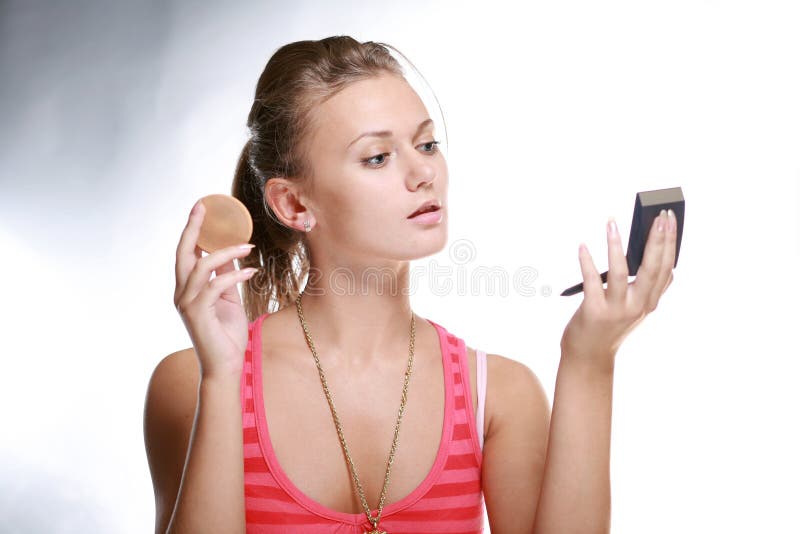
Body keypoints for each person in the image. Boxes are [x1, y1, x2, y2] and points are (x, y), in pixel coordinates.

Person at [143, 36, 676, 534]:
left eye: (426, 144)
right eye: (378, 156)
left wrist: (590, 360)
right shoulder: (192, 383)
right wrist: (223, 377)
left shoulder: (498, 396)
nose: (424, 174)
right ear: (294, 205)